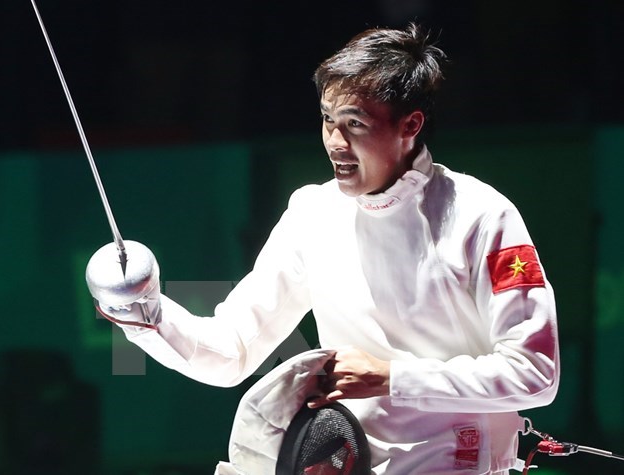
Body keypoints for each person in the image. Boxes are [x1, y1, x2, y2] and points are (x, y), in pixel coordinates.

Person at [86, 23, 560, 474]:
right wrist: (144, 314)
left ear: (410, 124)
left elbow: (535, 373)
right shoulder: (313, 213)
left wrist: (391, 377)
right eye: (328, 120)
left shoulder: (482, 216)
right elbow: (232, 350)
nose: (335, 142)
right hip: (344, 464)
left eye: (355, 123)